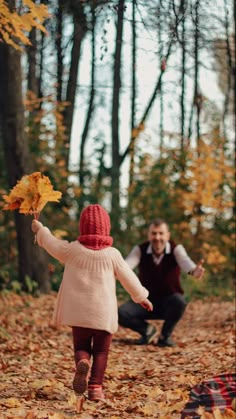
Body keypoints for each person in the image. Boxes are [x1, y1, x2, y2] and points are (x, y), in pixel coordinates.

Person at [31, 204, 152, 401]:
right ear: (107, 228)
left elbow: (52, 243)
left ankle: (83, 361)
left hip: (79, 315)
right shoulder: (113, 254)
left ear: (82, 227)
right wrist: (141, 297)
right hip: (103, 315)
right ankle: (96, 388)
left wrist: (41, 230)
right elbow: (128, 278)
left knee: (81, 346)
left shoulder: (71, 250)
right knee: (102, 351)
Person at [118, 219, 205, 347]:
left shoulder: (176, 249)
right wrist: (113, 270)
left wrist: (194, 271)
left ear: (167, 235)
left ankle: (165, 337)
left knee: (179, 301)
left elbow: (186, 263)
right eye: (153, 233)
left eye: (161, 233)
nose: (157, 237)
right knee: (121, 313)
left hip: (168, 303)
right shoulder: (140, 250)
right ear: (148, 235)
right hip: (145, 301)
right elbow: (125, 267)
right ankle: (147, 331)